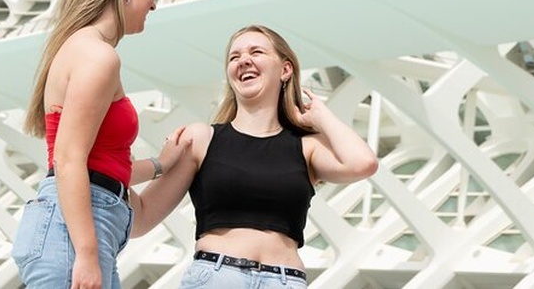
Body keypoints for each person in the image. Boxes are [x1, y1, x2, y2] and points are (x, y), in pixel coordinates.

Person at [131, 24, 379, 288]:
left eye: (256, 52)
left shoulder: (306, 147)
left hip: (285, 280)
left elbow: (363, 163)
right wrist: (115, 160)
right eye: (234, 57)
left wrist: (320, 115)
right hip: (218, 276)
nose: (244, 61)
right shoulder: (201, 139)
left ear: (285, 70)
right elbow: (140, 220)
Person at [12, 0, 188, 289]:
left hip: (79, 234)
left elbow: (98, 165)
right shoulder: (98, 56)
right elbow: (67, 159)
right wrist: (87, 255)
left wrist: (160, 164)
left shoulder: (84, 49)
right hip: (72, 239)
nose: (153, 3)